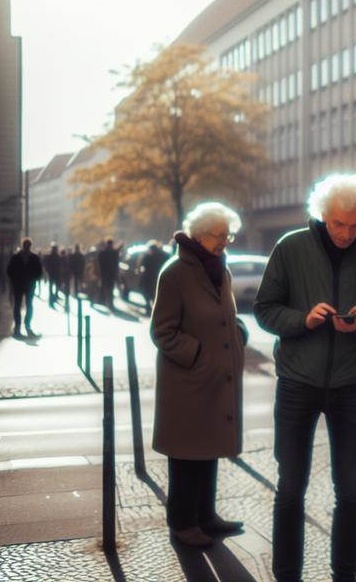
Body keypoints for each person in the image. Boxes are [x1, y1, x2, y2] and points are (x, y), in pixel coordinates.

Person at [254, 173, 356, 582]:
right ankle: (286, 574)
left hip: (352, 384)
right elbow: (265, 309)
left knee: (351, 489)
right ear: (322, 215)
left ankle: (345, 574)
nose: (346, 234)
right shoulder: (290, 248)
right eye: (338, 224)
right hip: (297, 382)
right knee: (290, 487)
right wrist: (303, 319)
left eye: (355, 226)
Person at [150, 202, 247, 548]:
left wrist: (237, 334)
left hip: (215, 381)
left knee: (209, 451)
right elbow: (162, 331)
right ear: (198, 234)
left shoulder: (220, 268)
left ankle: (206, 516)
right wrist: (199, 355)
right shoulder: (175, 272)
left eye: (227, 235)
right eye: (217, 235)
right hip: (188, 384)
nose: (224, 242)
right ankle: (182, 523)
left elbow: (222, 316)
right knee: (186, 457)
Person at [6, 238, 42, 337]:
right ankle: (21, 327)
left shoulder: (30, 257)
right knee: (23, 305)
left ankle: (23, 326)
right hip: (22, 285)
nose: (27, 248)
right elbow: (9, 271)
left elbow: (39, 272)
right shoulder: (18, 257)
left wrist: (33, 278)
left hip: (25, 285)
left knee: (24, 305)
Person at [141, 241, 170, 315]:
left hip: (152, 279)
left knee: (151, 295)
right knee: (151, 295)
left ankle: (150, 310)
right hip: (153, 279)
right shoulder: (161, 256)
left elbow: (143, 266)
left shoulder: (149, 256)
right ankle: (150, 309)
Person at [97, 238, 122, 309]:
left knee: (106, 288)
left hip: (105, 274)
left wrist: (100, 274)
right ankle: (110, 303)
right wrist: (117, 273)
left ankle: (106, 302)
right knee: (110, 288)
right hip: (112, 274)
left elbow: (100, 265)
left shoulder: (102, 252)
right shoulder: (115, 252)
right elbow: (117, 264)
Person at [45, 243, 61, 307]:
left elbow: (47, 265)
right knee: (55, 284)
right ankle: (55, 294)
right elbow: (59, 265)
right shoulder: (57, 256)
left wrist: (48, 270)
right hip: (55, 272)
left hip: (52, 272)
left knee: (52, 285)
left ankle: (52, 294)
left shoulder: (50, 256)